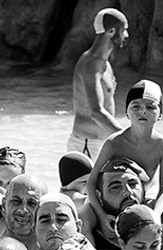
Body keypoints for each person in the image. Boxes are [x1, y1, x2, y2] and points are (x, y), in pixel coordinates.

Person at [86, 80, 163, 225]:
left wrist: (155, 215)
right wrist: (101, 216)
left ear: (160, 114)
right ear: (126, 112)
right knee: (85, 215)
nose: (142, 111)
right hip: (111, 198)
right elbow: (92, 182)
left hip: (143, 196)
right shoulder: (114, 143)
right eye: (136, 106)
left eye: (150, 106)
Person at [68, 9, 129, 157]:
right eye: (124, 30)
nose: (127, 35)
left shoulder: (105, 64)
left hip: (101, 143)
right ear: (111, 31)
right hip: (87, 145)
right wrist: (128, 139)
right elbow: (97, 112)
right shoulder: (90, 64)